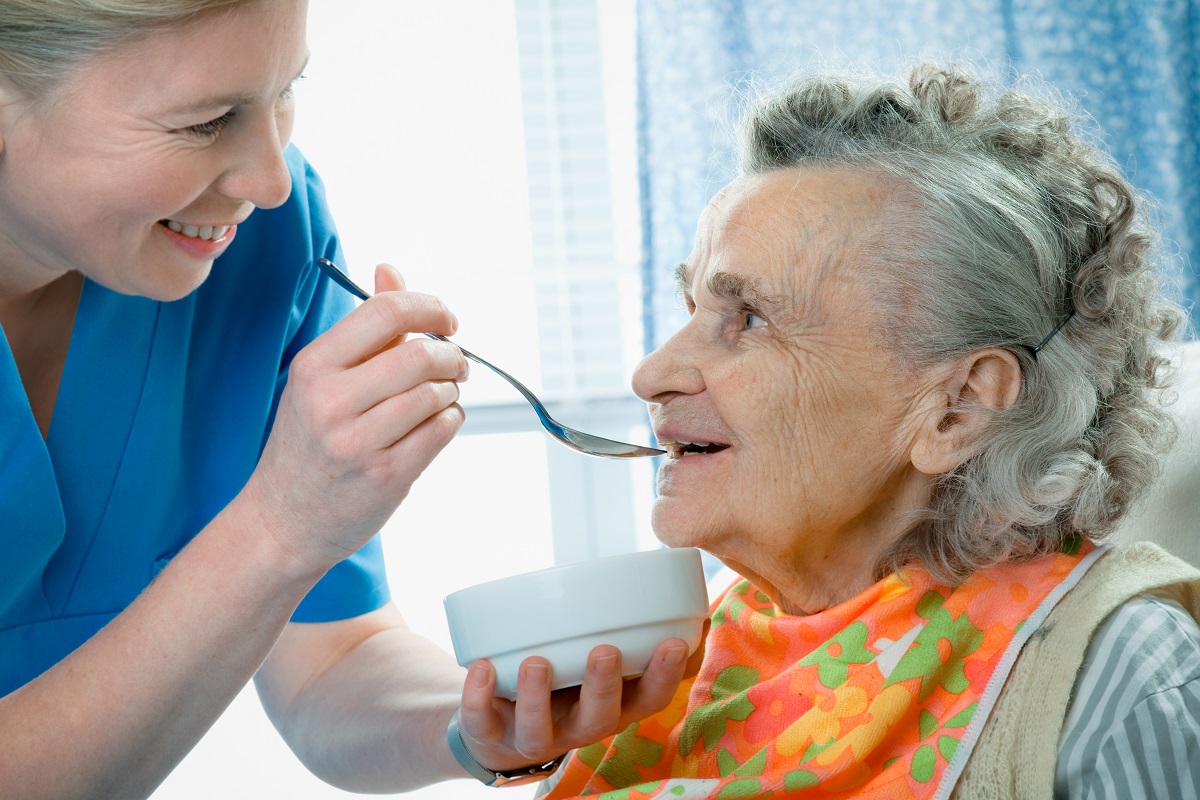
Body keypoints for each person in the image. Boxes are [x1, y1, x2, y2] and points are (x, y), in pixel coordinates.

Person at [0, 1, 692, 797]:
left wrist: (473, 722)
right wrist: (278, 527)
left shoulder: (265, 241)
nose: (268, 178)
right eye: (205, 122)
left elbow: (330, 658)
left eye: (285, 90)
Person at [537, 63, 1200, 799]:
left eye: (750, 318)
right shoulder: (662, 658)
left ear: (958, 409)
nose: (652, 373)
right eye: (690, 307)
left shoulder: (1118, 672)